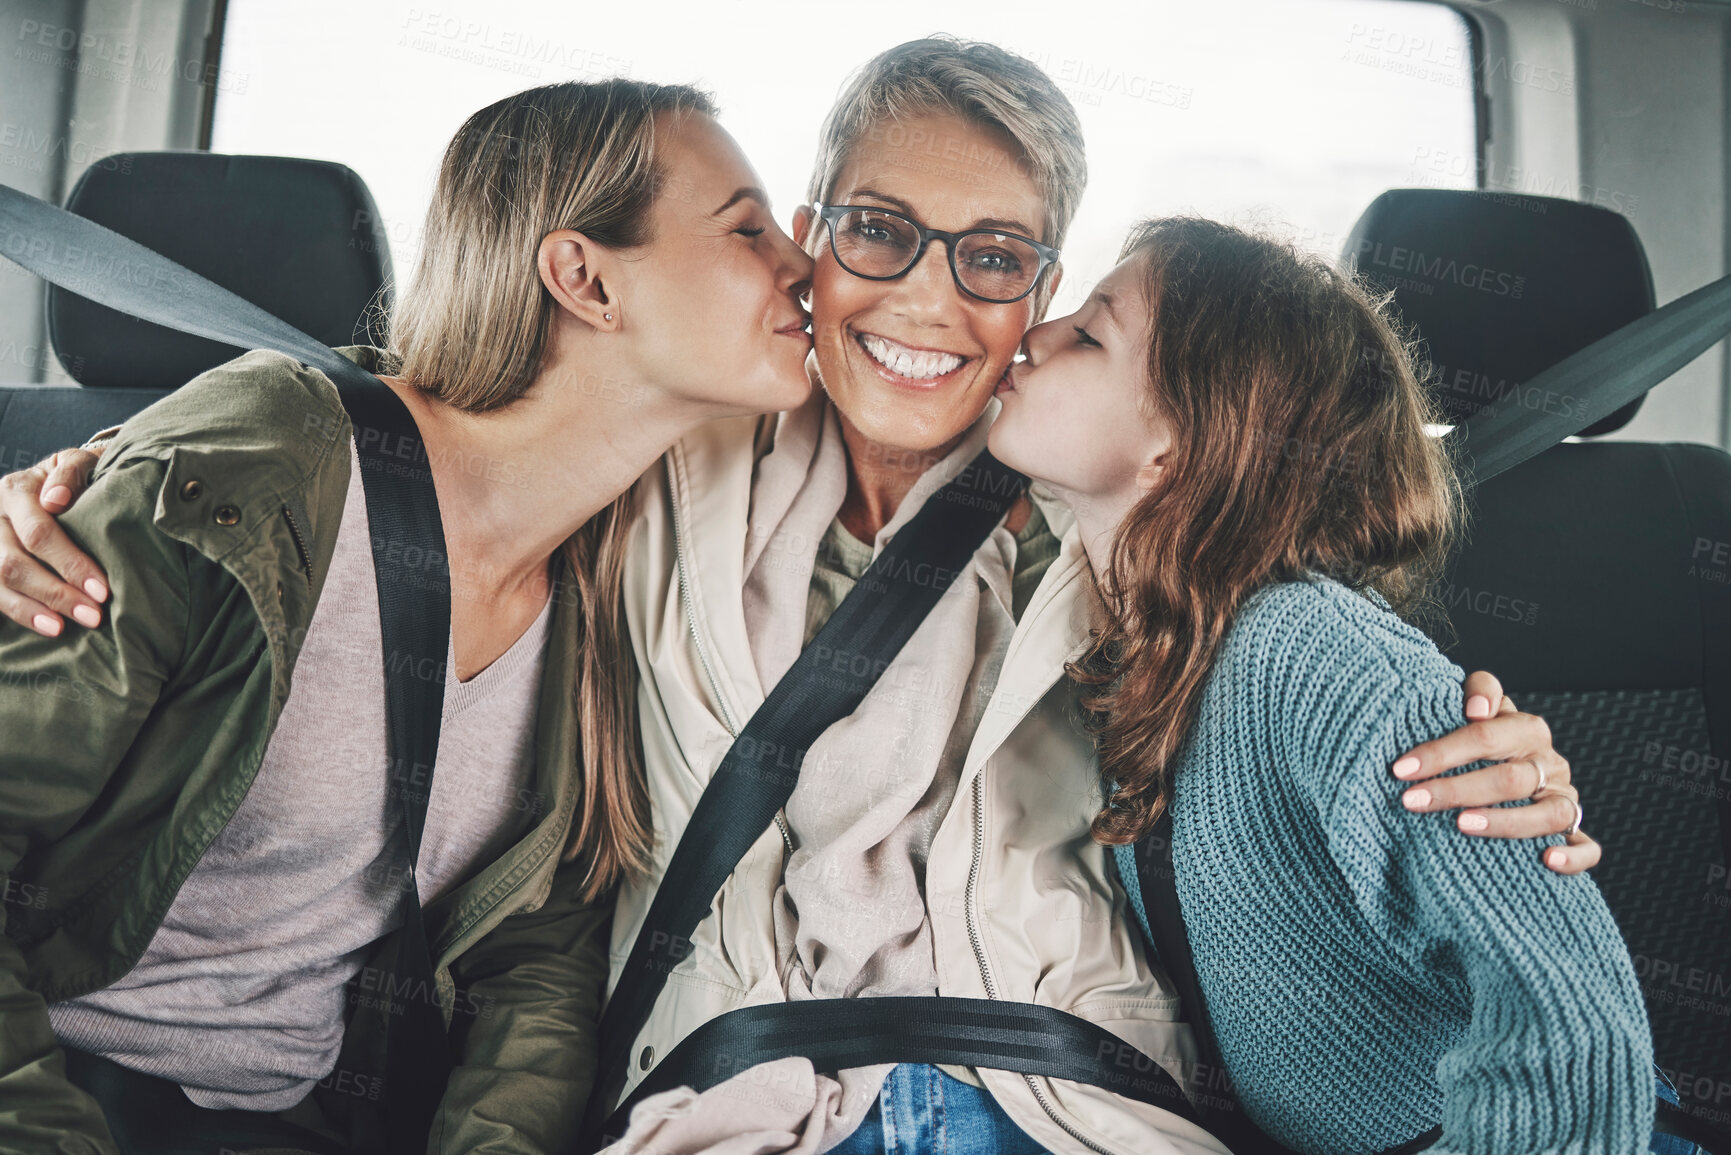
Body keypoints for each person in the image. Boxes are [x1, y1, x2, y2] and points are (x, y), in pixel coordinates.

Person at [1, 39, 1600, 1155]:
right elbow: (438, 432)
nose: (923, 296)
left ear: (1042, 295)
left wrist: (1482, 768)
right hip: (730, 1096)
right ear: (815, 241)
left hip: (1080, 1098)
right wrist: (74, 493)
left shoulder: (1116, 509)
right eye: (873, 231)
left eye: (994, 259)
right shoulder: (646, 460)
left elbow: (1310, 658)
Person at [0, 79, 813, 1155]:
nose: (802, 264)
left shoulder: (610, 581)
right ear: (584, 279)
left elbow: (537, 955)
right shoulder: (263, 462)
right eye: (748, 228)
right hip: (71, 1091)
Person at [987, 215, 1661, 1153]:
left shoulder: (1313, 660)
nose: (1034, 331)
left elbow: (1569, 1020)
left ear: (1178, 448)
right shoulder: (1111, 634)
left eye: (1089, 334)